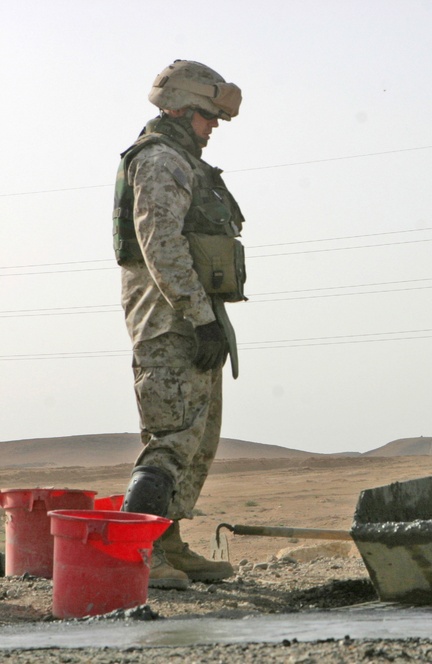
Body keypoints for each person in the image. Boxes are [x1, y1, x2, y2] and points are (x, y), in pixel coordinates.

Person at [113, 60, 247, 588]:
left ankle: (166, 541)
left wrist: (208, 319)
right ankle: (137, 554)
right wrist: (197, 316)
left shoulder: (181, 161)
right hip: (171, 322)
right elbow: (161, 245)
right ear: (183, 109)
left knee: (196, 440)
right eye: (207, 116)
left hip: (192, 318)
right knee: (170, 440)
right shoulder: (160, 160)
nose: (212, 127)